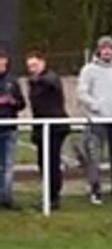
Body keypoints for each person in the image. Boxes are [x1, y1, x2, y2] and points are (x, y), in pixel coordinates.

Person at [77, 35, 112, 204]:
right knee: (95, 156)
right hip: (97, 120)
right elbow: (82, 93)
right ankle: (95, 189)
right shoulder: (88, 70)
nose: (107, 51)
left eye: (110, 48)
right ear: (99, 50)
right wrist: (95, 106)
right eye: (104, 48)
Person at [26, 51, 70, 210]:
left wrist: (38, 80)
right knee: (43, 163)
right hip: (41, 127)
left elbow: (51, 83)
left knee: (52, 163)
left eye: (35, 65)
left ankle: (54, 198)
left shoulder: (51, 78)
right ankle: (49, 195)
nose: (32, 69)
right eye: (30, 66)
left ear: (43, 63)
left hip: (55, 127)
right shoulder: (33, 83)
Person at [0, 48, 26, 210]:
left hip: (10, 128)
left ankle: (7, 198)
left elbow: (22, 104)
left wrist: (12, 102)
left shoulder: (12, 82)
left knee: (8, 166)